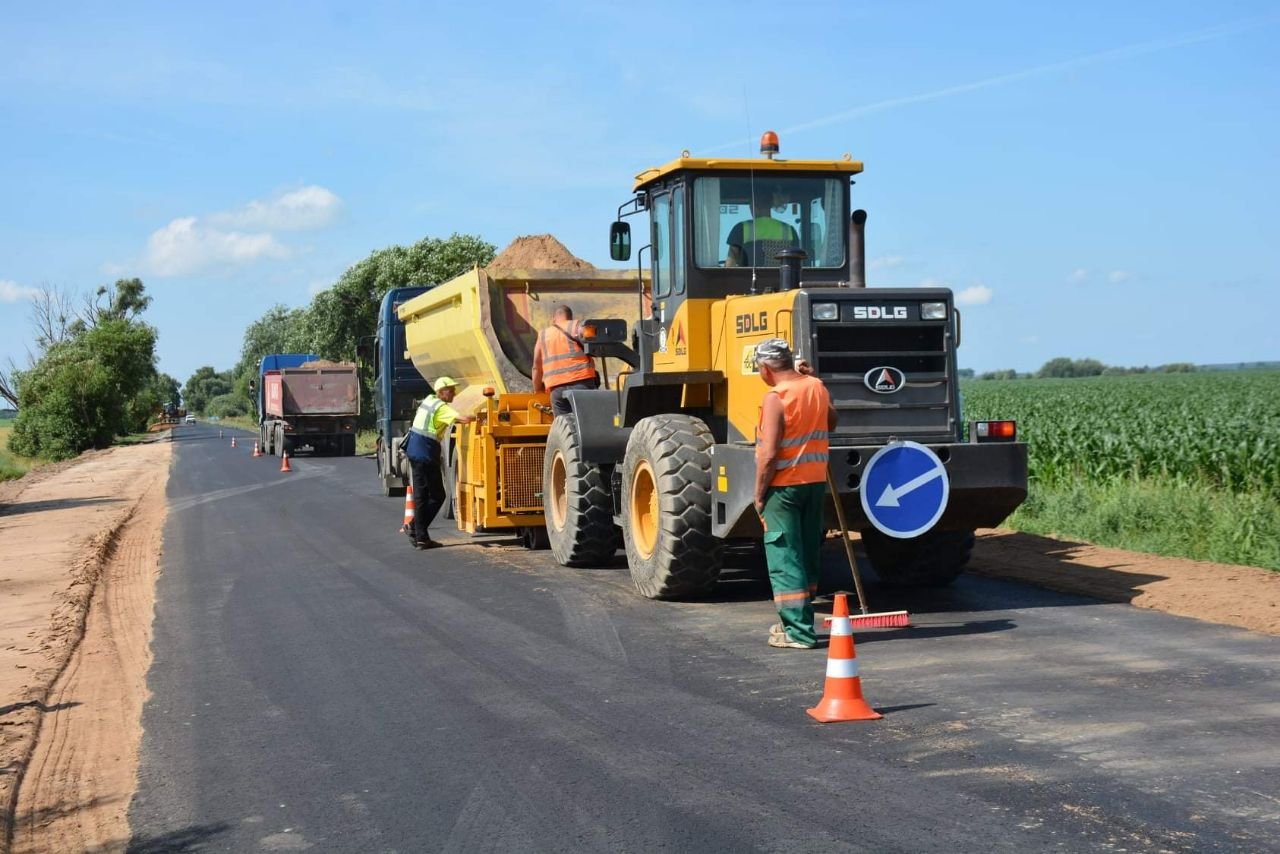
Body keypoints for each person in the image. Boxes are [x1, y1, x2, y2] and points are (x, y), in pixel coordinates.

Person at [753, 338, 837, 649]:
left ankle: (799, 632)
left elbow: (769, 453)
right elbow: (832, 423)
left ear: (765, 368)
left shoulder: (776, 397)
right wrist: (813, 382)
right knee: (805, 552)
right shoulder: (816, 386)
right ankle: (798, 619)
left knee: (785, 554)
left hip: (784, 487)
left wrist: (759, 493)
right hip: (814, 483)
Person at [403, 376, 475, 550]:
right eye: (451, 390)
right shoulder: (442, 408)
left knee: (421, 495)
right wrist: (479, 417)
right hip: (425, 452)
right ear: (441, 392)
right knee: (437, 495)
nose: (454, 393)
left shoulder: (429, 401)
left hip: (414, 449)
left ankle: (419, 535)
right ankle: (415, 529)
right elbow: (463, 419)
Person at [531, 304, 600, 416]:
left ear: (553, 318)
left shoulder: (543, 335)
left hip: (557, 389)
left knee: (564, 425)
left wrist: (538, 390)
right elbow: (595, 340)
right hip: (581, 383)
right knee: (586, 422)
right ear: (570, 317)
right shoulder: (576, 326)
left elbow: (536, 367)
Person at [725, 189, 799, 267]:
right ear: (770, 205)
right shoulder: (789, 230)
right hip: (783, 279)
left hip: (750, 278)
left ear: (754, 206)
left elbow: (730, 266)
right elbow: (797, 262)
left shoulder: (741, 228)